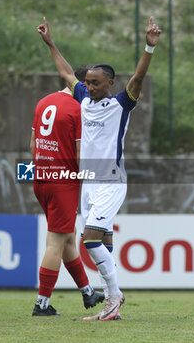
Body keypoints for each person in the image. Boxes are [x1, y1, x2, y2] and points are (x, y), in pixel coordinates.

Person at [37, 16, 161, 320]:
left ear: (110, 83)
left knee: (89, 239)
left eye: (95, 83)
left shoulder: (122, 104)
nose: (89, 86)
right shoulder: (82, 98)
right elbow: (66, 72)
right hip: (89, 182)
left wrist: (149, 47)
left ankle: (114, 296)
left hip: (111, 181)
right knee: (103, 240)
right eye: (88, 82)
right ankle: (113, 307)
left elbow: (138, 79)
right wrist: (50, 43)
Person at [30, 76, 104, 316]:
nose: (90, 92)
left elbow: (33, 145)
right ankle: (42, 305)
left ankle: (87, 291)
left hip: (41, 178)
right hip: (63, 183)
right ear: (81, 85)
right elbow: (81, 152)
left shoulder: (43, 102)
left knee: (67, 237)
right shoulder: (77, 109)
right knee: (55, 241)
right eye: (88, 87)